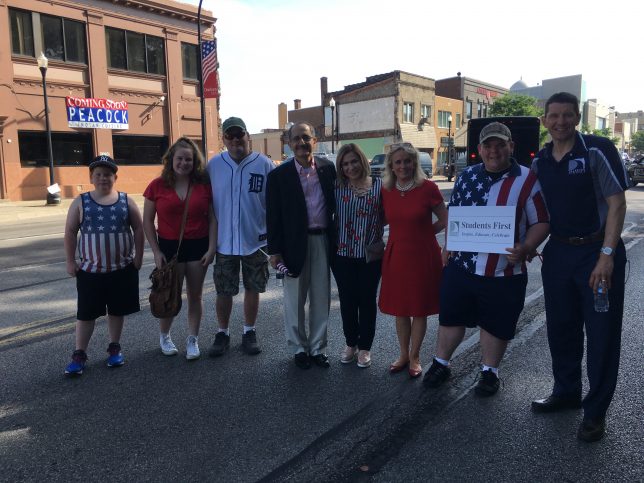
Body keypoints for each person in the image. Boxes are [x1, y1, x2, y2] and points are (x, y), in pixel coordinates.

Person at [530, 92, 630, 442]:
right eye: (554, 116)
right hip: (559, 253)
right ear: (544, 120)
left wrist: (607, 255)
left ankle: (595, 412)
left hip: (596, 253)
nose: (561, 122)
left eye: (567, 115)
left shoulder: (597, 150)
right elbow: (529, 209)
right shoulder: (540, 160)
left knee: (601, 336)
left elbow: (617, 204)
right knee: (561, 328)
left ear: (576, 118)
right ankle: (566, 391)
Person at [423, 122, 550, 396]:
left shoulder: (527, 179)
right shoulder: (466, 176)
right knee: (451, 317)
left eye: (500, 145)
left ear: (510, 147)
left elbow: (541, 221)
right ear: (479, 149)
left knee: (497, 322)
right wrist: (448, 246)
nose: (494, 151)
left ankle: (489, 372)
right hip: (463, 267)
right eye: (488, 146)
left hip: (504, 271)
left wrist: (526, 245)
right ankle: (441, 363)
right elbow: (455, 214)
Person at [63, 155, 144, 376]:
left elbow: (138, 228)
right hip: (90, 272)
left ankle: (114, 348)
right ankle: (79, 354)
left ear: (115, 177)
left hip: (121, 270)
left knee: (117, 311)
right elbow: (70, 232)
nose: (103, 178)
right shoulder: (81, 201)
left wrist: (138, 257)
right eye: (98, 174)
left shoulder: (126, 200)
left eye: (107, 174)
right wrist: (71, 261)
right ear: (91, 178)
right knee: (86, 314)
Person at [266, 122, 336, 369]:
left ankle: (317, 348)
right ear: (288, 143)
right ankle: (298, 348)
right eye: (296, 139)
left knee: (321, 297)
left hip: (322, 240)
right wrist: (274, 251)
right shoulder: (278, 176)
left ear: (314, 141)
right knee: (294, 299)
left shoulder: (328, 169)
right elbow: (272, 216)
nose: (301, 143)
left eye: (305, 138)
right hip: (292, 244)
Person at [143, 137, 216, 360]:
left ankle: (192, 339)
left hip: (198, 246)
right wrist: (156, 251)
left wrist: (211, 248)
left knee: (195, 295)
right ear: (171, 159)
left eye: (189, 160)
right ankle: (164, 336)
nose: (184, 163)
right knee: (169, 293)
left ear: (195, 163)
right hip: (168, 248)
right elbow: (147, 221)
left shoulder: (203, 185)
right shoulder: (157, 186)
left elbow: (213, 218)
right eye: (180, 158)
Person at [378, 143, 447, 378]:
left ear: (414, 163)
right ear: (391, 165)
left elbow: (446, 220)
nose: (403, 165)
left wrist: (428, 233)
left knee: (419, 309)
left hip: (422, 255)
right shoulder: (386, 190)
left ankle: (415, 356)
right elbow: (381, 221)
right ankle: (403, 354)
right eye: (398, 161)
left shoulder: (427, 188)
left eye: (407, 161)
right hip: (396, 255)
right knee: (400, 309)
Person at [206, 117, 274, 357]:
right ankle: (222, 332)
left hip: (256, 239)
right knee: (224, 290)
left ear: (248, 136)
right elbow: (206, 205)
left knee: (253, 287)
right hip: (225, 241)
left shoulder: (264, 164)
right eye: (230, 136)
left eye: (239, 135)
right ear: (224, 139)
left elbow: (274, 205)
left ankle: (249, 331)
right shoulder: (213, 166)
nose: (235, 140)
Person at [332, 143, 384, 368]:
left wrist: (375, 230)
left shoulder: (380, 186)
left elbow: (389, 214)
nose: (350, 167)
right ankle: (350, 343)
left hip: (370, 255)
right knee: (348, 301)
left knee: (367, 300)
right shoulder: (336, 186)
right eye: (345, 164)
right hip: (342, 254)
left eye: (353, 161)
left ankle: (365, 348)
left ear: (362, 161)